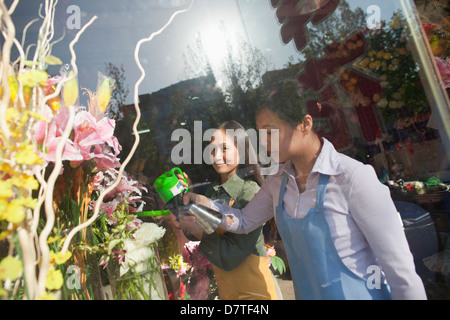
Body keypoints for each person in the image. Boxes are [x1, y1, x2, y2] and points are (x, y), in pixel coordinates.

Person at [180, 87, 427, 300]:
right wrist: (205, 204)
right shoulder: (278, 182)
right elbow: (243, 221)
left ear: (305, 124)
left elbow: (401, 274)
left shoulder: (352, 177)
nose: (265, 141)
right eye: (260, 133)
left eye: (270, 131)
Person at [176, 120, 281, 300]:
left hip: (255, 293)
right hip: (228, 292)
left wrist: (197, 228)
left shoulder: (250, 191)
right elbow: (193, 232)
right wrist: (186, 195)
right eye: (212, 150)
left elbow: (232, 255)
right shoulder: (213, 191)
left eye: (224, 148)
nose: (216, 157)